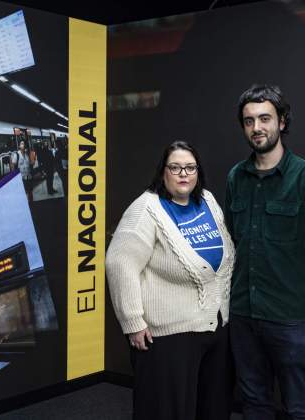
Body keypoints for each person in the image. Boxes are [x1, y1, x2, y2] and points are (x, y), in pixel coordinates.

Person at [224, 84, 305, 420]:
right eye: (249, 121)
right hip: (244, 315)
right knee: (253, 402)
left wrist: (297, 286)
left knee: (299, 406)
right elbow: (233, 242)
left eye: (265, 118)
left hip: (290, 318)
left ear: (282, 122)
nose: (257, 128)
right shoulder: (237, 177)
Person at [106, 141, 235, 420]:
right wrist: (133, 321)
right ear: (163, 172)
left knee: (211, 409)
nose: (183, 174)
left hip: (214, 328)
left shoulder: (208, 201)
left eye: (190, 167)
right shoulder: (146, 209)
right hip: (167, 337)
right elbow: (119, 263)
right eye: (175, 167)